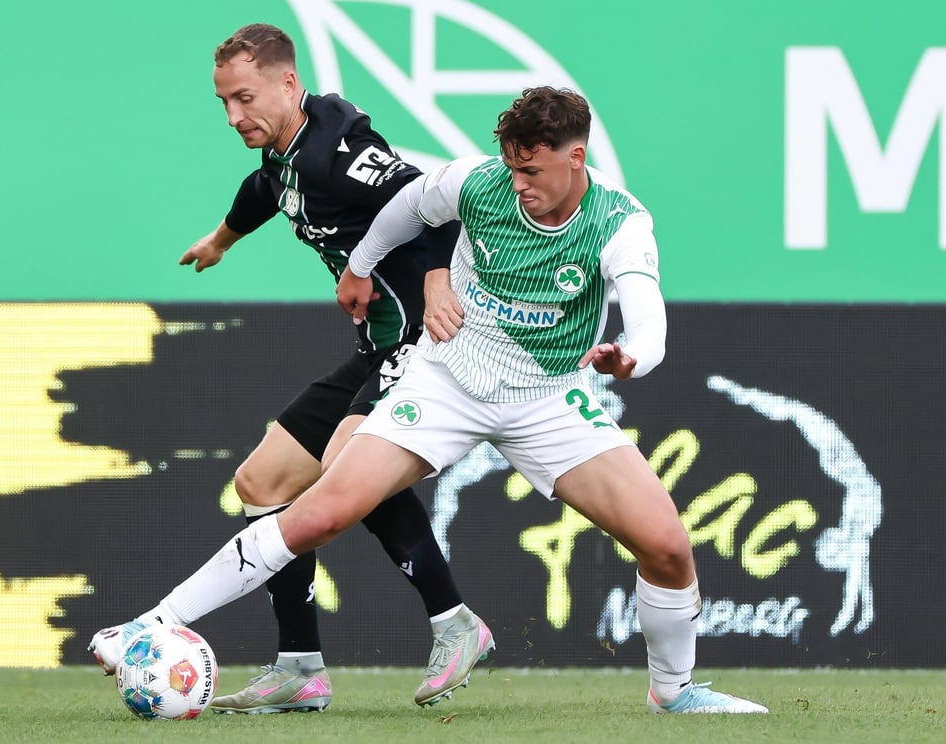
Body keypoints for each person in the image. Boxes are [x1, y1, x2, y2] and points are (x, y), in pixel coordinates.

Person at [92, 85, 768, 714]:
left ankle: (673, 694)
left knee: (668, 549)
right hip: (445, 380)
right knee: (321, 511)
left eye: (532, 172)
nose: (519, 184)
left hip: (548, 398)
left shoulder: (619, 221)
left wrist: (632, 357)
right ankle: (149, 625)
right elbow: (407, 209)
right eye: (512, 168)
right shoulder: (477, 182)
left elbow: (648, 319)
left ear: (576, 158)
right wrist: (362, 267)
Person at [89, 23, 493, 713]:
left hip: (424, 341)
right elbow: (263, 189)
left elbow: (434, 202)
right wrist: (221, 240)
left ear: (286, 81)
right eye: (222, 102)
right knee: (262, 479)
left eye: (243, 98)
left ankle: (455, 623)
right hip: (379, 345)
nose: (232, 116)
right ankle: (299, 668)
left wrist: (432, 281)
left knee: (347, 461)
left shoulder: (339, 150)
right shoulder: (284, 155)